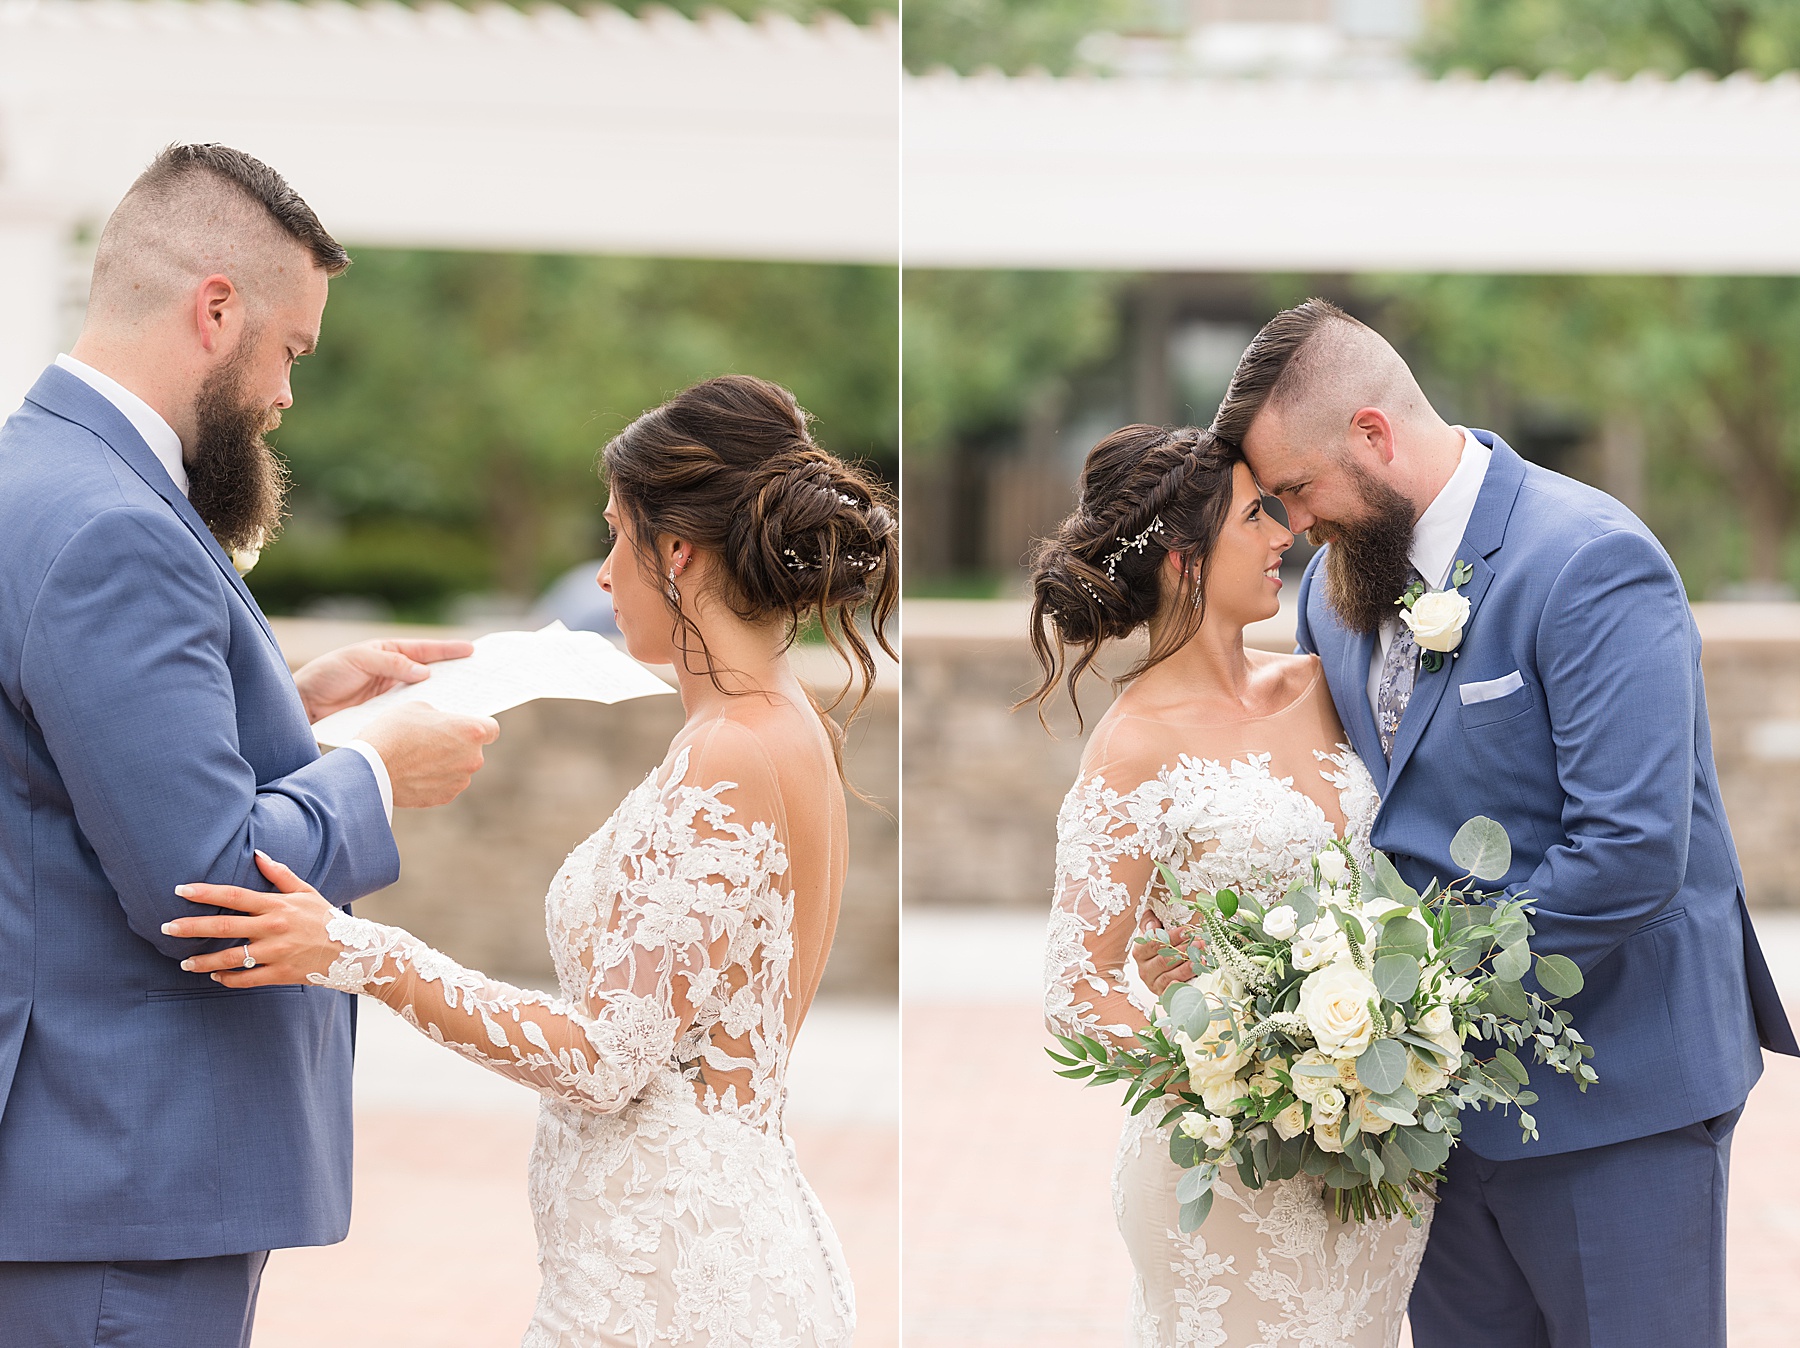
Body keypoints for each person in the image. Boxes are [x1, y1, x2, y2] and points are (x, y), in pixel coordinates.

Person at [167, 374, 898, 1348]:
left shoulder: (732, 752)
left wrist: (354, 950)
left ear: (675, 554)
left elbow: (603, 1058)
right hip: (660, 1256)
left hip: (674, 1288)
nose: (602, 576)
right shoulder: (767, 726)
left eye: (614, 534)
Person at [1144, 298, 1797, 1348]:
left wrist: (1417, 1003)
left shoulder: (1590, 562)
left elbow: (1628, 852)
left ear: (1372, 434)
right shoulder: (1328, 598)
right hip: (1425, 1128)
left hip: (1618, 1103)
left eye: (1299, 490)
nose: (1296, 523)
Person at [0, 142, 498, 1346]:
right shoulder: (116, 526)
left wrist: (291, 706)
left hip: (82, 1177)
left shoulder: (34, 473)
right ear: (215, 310)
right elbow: (204, 882)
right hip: (122, 1189)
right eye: (290, 351)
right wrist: (377, 769)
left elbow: (64, 761)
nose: (286, 394)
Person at [1036, 424, 1429, 1347]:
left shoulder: (1325, 681)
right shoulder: (1132, 751)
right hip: (1225, 1176)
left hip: (1370, 1159)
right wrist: (1251, 1077)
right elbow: (1078, 988)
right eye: (1257, 513)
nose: (1285, 529)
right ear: (1183, 560)